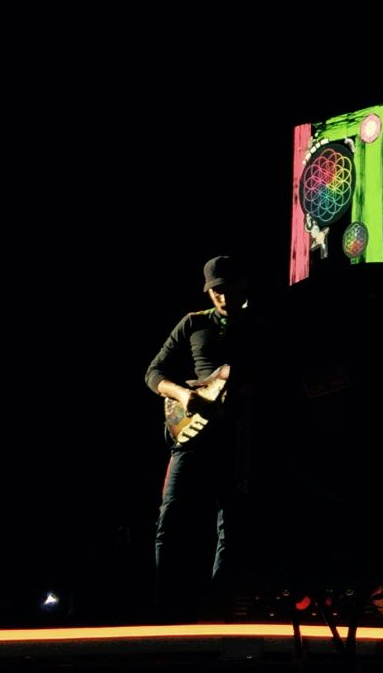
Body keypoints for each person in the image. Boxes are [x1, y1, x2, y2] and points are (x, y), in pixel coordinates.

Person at [146, 255, 253, 621]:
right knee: (171, 518)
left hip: (239, 435)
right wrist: (182, 395)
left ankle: (221, 611)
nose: (221, 296)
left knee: (233, 524)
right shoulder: (193, 322)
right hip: (192, 434)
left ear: (243, 285)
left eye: (227, 288)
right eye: (214, 290)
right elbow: (153, 372)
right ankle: (166, 608)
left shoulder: (262, 325)